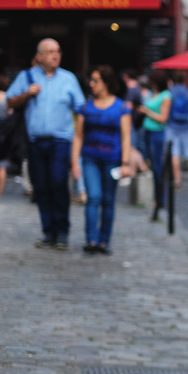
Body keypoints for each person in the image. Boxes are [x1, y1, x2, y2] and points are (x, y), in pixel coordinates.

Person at [6, 39, 85, 249]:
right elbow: (9, 101)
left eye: (57, 51)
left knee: (58, 184)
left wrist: (80, 140)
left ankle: (62, 233)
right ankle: (48, 232)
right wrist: (27, 94)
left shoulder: (68, 79)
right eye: (50, 52)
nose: (55, 55)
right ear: (39, 56)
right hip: (35, 142)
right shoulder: (27, 77)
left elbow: (81, 109)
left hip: (61, 141)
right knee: (41, 187)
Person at [71, 65, 131, 254]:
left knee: (108, 200)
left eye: (95, 80)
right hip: (90, 158)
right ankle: (92, 240)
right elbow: (78, 135)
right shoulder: (86, 107)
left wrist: (126, 163)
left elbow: (126, 137)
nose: (91, 84)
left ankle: (104, 240)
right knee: (93, 198)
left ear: (105, 83)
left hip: (112, 159)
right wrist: (74, 161)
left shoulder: (121, 107)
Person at [138, 70, 171, 221]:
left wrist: (147, 111)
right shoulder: (152, 93)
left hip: (157, 133)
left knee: (157, 167)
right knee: (150, 164)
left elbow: (163, 118)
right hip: (147, 132)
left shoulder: (166, 96)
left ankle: (159, 198)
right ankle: (155, 197)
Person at [166, 72, 188, 189]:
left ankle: (177, 180)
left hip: (172, 126)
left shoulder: (170, 92)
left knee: (174, 153)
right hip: (186, 127)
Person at [0, 74, 10, 195]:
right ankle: (1, 191)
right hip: (2, 132)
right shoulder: (6, 97)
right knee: (2, 164)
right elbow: (10, 114)